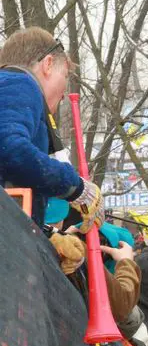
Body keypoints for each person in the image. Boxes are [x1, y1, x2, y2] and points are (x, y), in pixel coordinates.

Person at [0, 27, 103, 230]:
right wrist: (76, 187)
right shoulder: (18, 81)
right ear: (48, 64)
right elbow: (8, 148)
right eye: (64, 75)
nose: (64, 93)